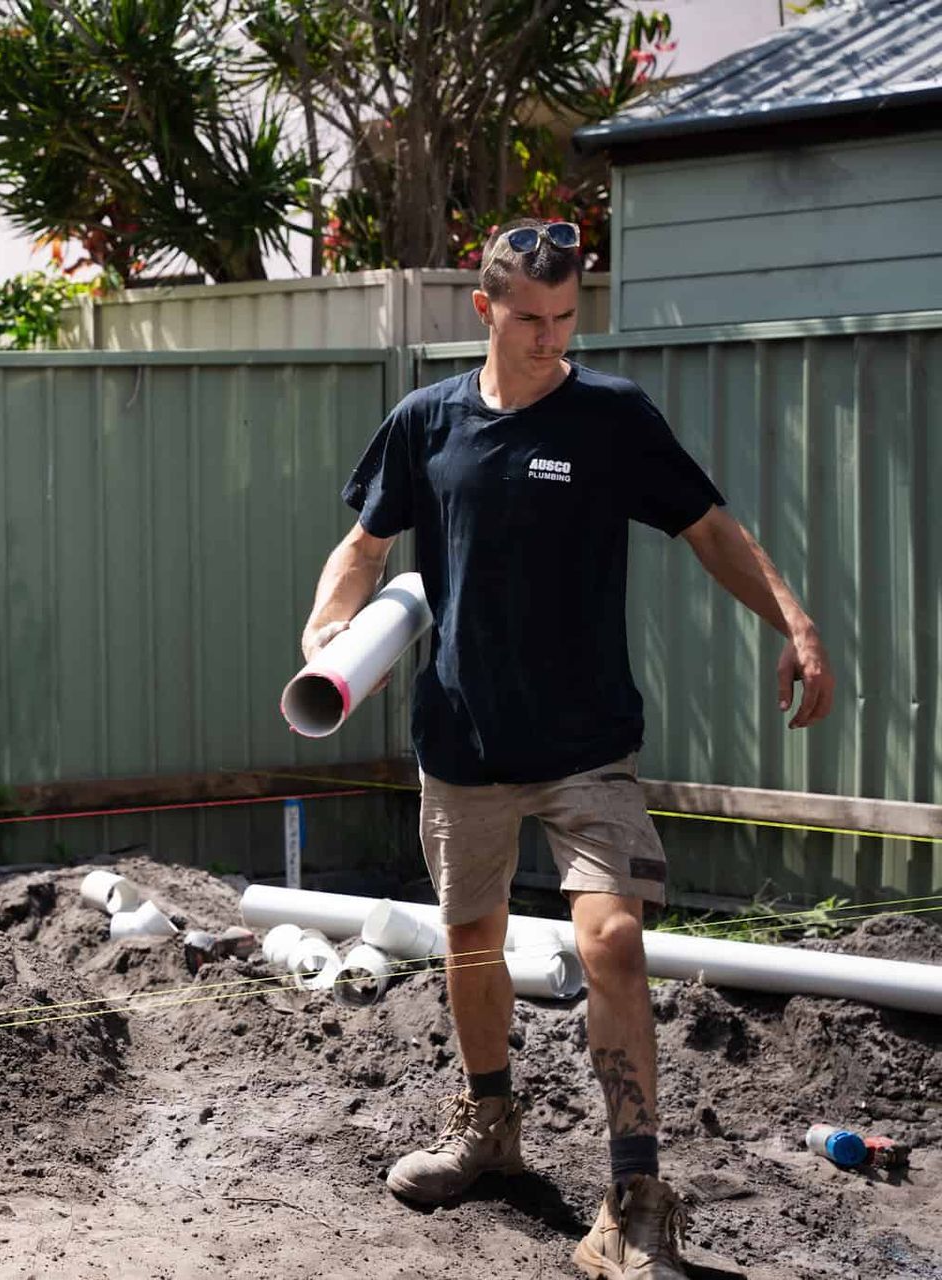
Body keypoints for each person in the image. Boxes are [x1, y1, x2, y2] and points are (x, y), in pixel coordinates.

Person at [300, 218, 835, 1279]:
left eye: (566, 318)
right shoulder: (426, 421)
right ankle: (489, 1127)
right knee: (470, 946)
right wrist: (327, 626)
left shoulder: (611, 418)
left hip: (588, 743)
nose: (551, 339)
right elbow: (365, 543)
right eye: (530, 319)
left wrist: (798, 626)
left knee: (615, 941)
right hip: (463, 740)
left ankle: (635, 1197)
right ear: (484, 310)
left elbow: (712, 528)